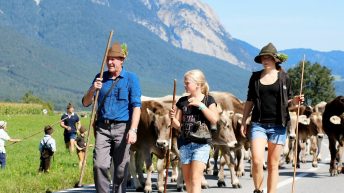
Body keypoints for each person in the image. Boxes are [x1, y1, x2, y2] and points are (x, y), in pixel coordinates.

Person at [240, 43, 303, 193]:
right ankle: (258, 189)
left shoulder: (284, 77)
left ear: (275, 59)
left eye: (268, 57)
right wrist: (244, 120)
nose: (265, 60)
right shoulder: (255, 77)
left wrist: (294, 101)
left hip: (278, 125)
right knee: (256, 161)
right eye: (263, 57)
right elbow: (250, 100)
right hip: (258, 124)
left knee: (273, 164)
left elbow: (287, 102)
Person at [82, 42, 141, 193]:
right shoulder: (100, 77)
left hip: (123, 128)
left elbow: (136, 107)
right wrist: (93, 89)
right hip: (102, 128)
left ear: (122, 60)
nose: (110, 62)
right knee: (99, 165)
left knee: (121, 169)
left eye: (114, 58)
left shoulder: (131, 78)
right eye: (108, 58)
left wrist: (133, 130)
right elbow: (86, 102)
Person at [169, 69, 219, 193]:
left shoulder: (209, 100)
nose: (185, 85)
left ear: (198, 84)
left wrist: (200, 105)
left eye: (187, 83)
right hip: (185, 144)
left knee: (196, 179)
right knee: (188, 181)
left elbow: (214, 119)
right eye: (184, 83)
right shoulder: (182, 101)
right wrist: (171, 118)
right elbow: (178, 125)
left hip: (202, 144)